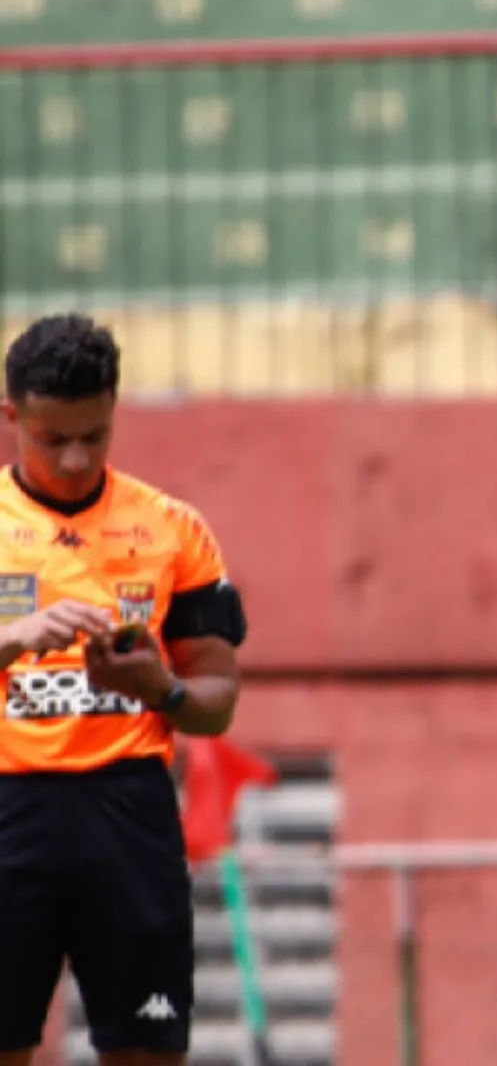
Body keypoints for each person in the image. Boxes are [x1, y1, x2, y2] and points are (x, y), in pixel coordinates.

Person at [0, 314, 249, 1066]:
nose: (76, 459)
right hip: (10, 810)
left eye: (95, 435)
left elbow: (218, 699)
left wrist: (162, 689)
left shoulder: (173, 528)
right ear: (11, 417)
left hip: (129, 815)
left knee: (146, 1047)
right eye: (53, 439)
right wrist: (12, 638)